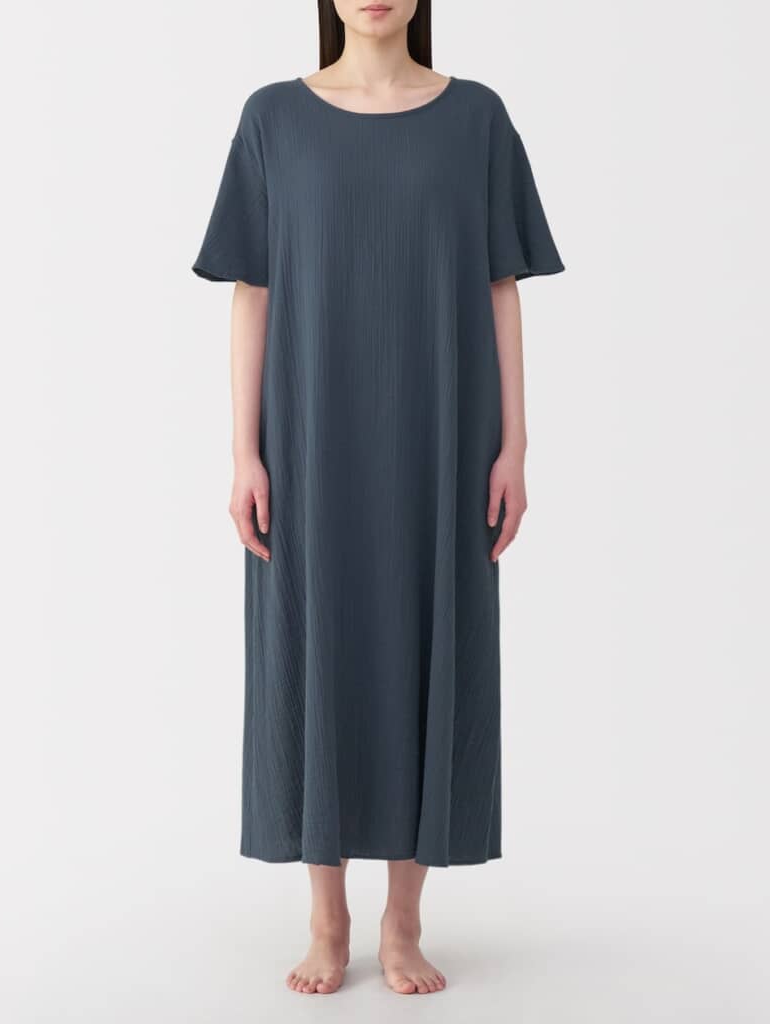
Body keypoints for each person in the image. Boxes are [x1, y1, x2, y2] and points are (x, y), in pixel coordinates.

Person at [190, 0, 564, 997]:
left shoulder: (476, 117)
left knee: (427, 645)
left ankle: (404, 919)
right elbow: (253, 287)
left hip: (443, 436)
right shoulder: (273, 118)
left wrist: (515, 443)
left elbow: (501, 283)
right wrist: (244, 451)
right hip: (310, 438)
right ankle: (327, 916)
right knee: (312, 648)